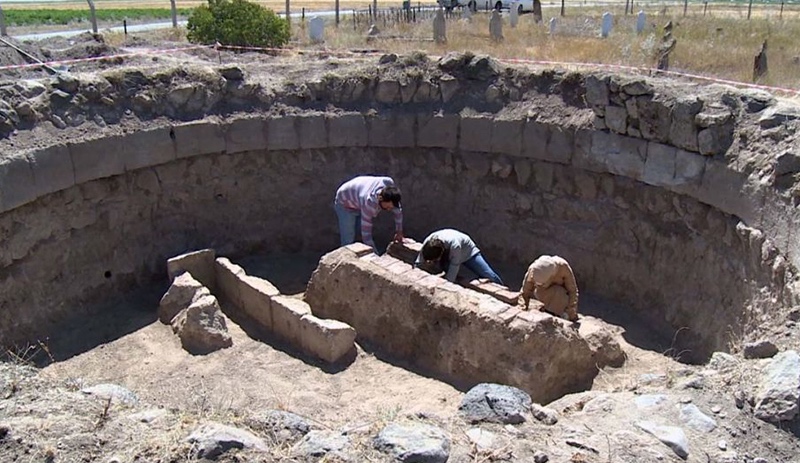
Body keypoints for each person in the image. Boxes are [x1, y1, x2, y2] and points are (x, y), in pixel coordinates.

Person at [334, 175, 404, 253]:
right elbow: (366, 236)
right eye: (387, 207)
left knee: (358, 235)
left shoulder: (389, 185)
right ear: (380, 199)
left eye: (391, 207)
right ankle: (345, 260)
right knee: (348, 241)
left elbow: (398, 211)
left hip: (358, 197)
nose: (389, 209)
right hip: (345, 202)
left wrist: (399, 232)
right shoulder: (369, 204)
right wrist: (376, 257)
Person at [415, 229, 504, 285]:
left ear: (440, 253)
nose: (434, 262)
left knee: (488, 274)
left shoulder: (455, 245)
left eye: (435, 260)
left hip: (468, 251)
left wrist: (446, 286)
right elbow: (419, 262)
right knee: (446, 270)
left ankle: (503, 290)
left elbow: (454, 267)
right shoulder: (428, 243)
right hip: (448, 254)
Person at [518, 255, 579, 322]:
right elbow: (525, 292)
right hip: (544, 293)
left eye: (543, 283)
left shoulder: (563, 267)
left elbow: (573, 291)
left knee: (558, 292)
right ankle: (549, 310)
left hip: (562, 296)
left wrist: (569, 311)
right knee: (540, 291)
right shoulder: (533, 270)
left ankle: (559, 313)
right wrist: (522, 308)